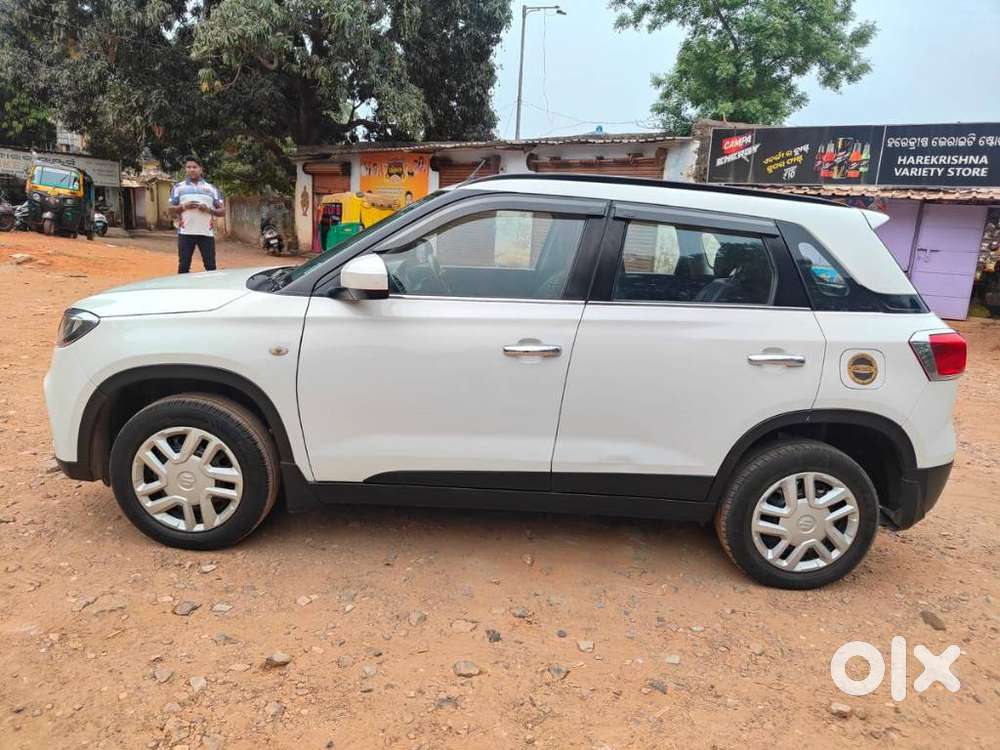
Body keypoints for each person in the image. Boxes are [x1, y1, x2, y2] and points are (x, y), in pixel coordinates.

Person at [169, 156, 225, 273]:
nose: (191, 170)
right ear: (185, 169)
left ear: (201, 169)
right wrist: (184, 206)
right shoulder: (178, 188)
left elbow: (222, 211)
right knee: (183, 267)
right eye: (188, 167)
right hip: (185, 233)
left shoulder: (212, 189)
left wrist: (209, 210)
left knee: (211, 267)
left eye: (194, 167)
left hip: (206, 234)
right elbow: (170, 210)